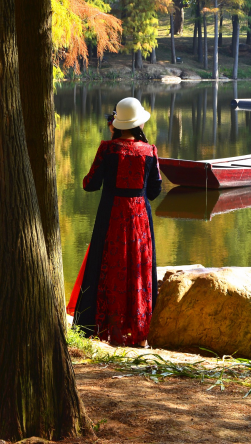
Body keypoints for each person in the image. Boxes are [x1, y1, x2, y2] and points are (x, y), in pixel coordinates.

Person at [73, 96, 162, 346]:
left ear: (117, 125)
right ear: (139, 124)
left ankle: (104, 327)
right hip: (140, 221)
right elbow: (155, 191)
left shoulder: (108, 149)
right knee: (138, 267)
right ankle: (139, 329)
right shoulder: (150, 151)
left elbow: (90, 185)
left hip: (111, 217)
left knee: (108, 265)